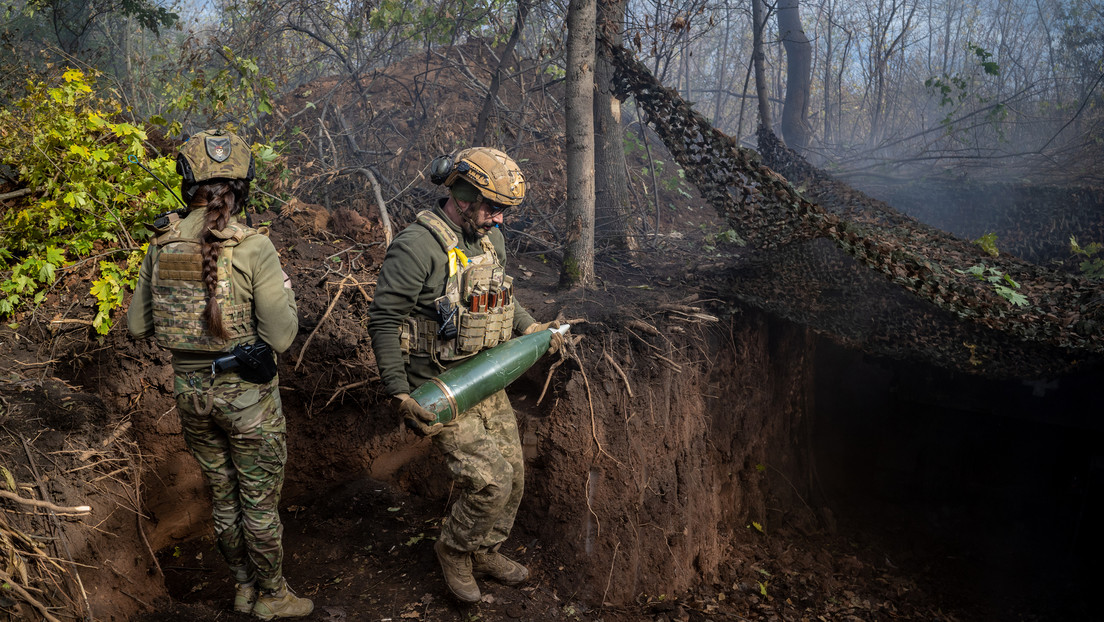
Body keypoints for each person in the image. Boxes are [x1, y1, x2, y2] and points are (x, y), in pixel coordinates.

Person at [127, 129, 312, 620]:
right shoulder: (253, 247)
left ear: (188, 184)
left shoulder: (162, 241)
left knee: (224, 494)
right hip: (247, 396)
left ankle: (243, 588)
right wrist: (286, 294)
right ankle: (273, 596)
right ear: (242, 185)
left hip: (191, 394)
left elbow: (137, 325)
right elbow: (280, 337)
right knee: (258, 499)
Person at [367, 147, 563, 603]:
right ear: (461, 194)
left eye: (504, 211)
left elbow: (501, 294)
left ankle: (485, 550)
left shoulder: (490, 239)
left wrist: (529, 327)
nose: (500, 220)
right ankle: (454, 551)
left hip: (485, 374)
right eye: (493, 208)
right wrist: (398, 392)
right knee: (488, 481)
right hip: (441, 387)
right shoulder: (418, 247)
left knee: (513, 474)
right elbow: (382, 320)